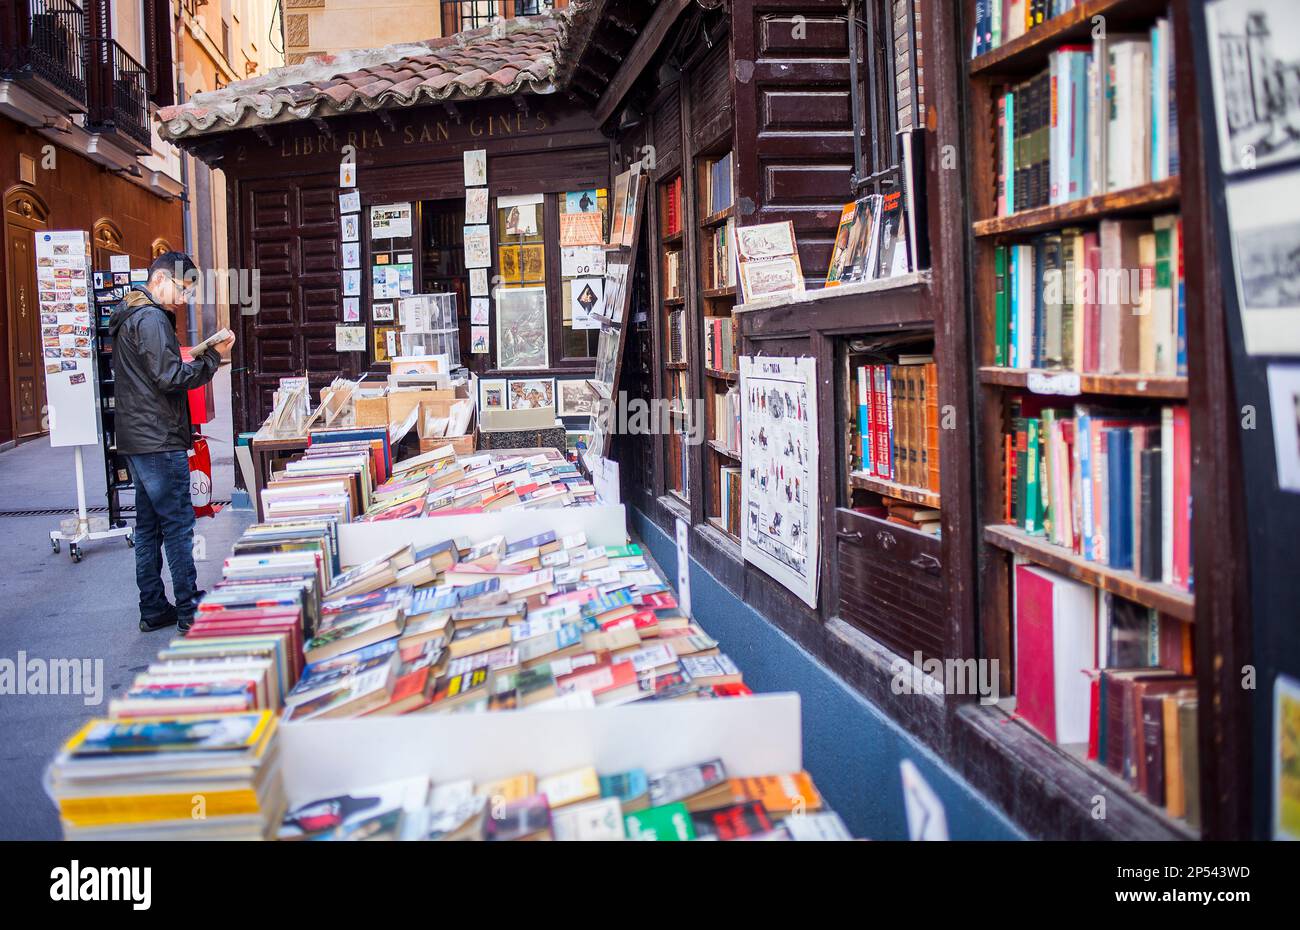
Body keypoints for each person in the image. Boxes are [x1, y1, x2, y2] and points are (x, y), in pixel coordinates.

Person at [109, 252, 234, 633]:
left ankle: (152, 607)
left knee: (149, 526)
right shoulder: (150, 317)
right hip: (158, 438)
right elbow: (169, 376)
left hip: (137, 436)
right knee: (178, 525)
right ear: (161, 278)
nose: (184, 299)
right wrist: (212, 359)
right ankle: (187, 607)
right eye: (182, 289)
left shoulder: (131, 312)